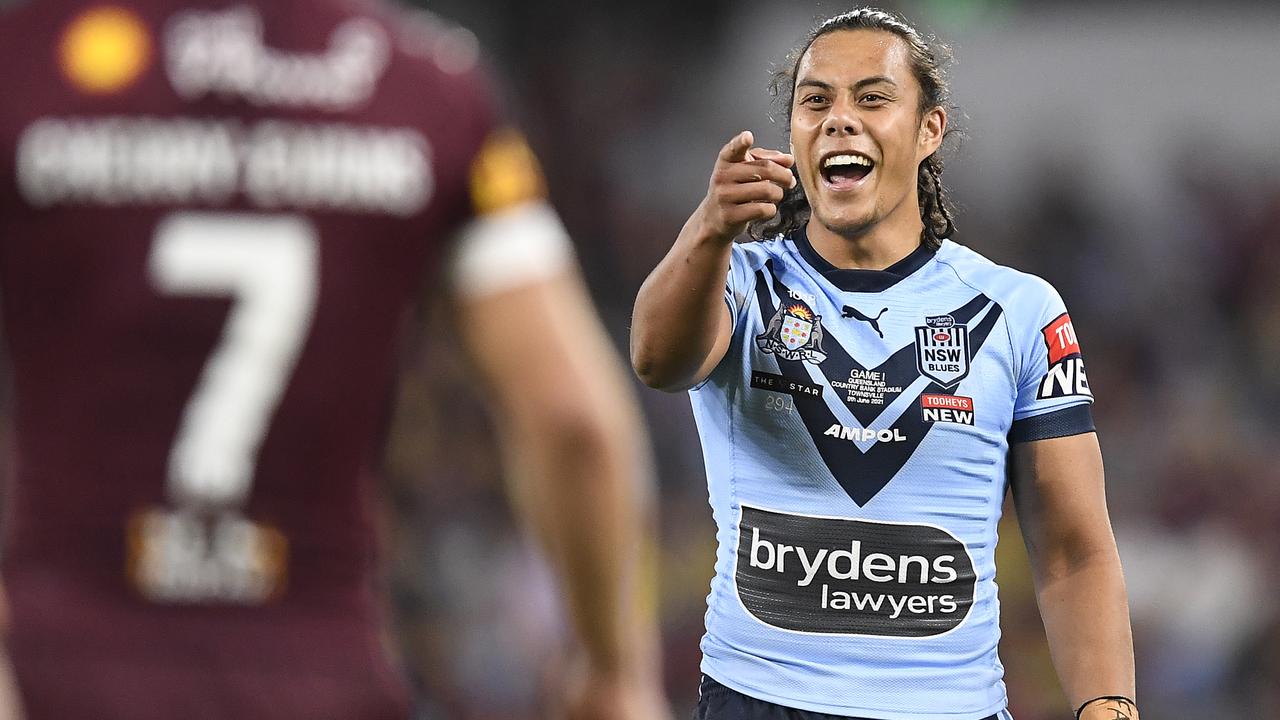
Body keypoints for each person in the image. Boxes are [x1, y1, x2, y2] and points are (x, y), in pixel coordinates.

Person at [0, 1, 669, 718]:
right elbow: (575, 424)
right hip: (318, 670)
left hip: (60, 665)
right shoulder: (423, 89)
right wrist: (613, 672)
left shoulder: (24, 61)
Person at [631, 8, 1137, 720]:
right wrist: (708, 228)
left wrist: (1109, 705)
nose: (840, 119)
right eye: (816, 101)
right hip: (760, 699)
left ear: (930, 128)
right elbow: (657, 360)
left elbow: (1073, 550)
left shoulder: (1018, 310)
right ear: (794, 137)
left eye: (872, 98)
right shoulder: (741, 281)